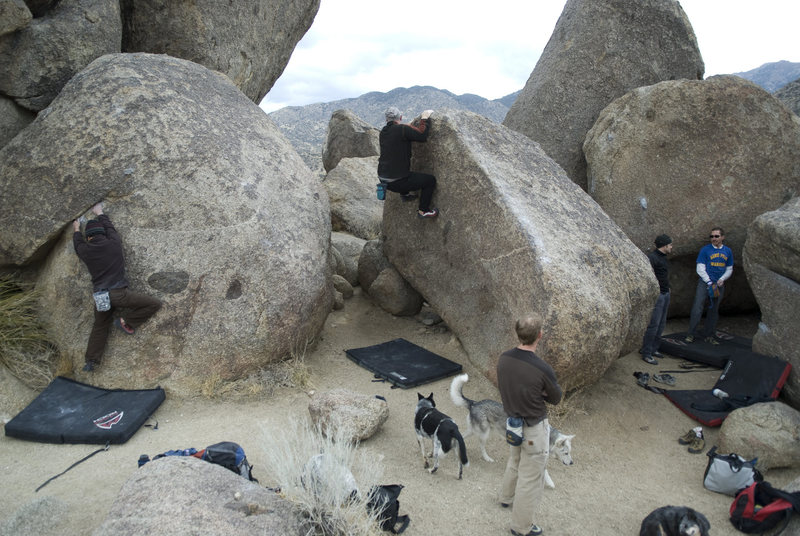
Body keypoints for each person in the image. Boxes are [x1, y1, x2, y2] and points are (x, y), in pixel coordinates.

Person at [73, 203, 162, 372]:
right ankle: (126, 322)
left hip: (100, 297)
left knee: (100, 325)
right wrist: (100, 212)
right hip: (118, 293)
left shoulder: (86, 250)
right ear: (102, 234)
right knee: (154, 304)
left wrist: (76, 228)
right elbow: (110, 228)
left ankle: (91, 361)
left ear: (89, 237)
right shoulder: (113, 243)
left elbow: (77, 244)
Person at [496, 314, 562, 536]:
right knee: (531, 477)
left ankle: (505, 498)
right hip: (534, 427)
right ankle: (521, 526)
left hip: (512, 422)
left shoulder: (504, 359)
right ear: (540, 336)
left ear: (517, 333)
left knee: (515, 460)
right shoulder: (542, 368)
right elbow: (556, 397)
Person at [377, 106, 438, 218]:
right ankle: (423, 210)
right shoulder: (402, 129)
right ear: (400, 117)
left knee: (399, 166)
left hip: (383, 180)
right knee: (430, 181)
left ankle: (405, 194)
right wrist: (424, 118)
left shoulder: (383, 132)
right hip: (398, 181)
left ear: (386, 119)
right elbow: (422, 135)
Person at [685, 226, 733, 344]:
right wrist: (709, 281)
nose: (714, 238)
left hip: (719, 283)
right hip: (705, 282)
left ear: (722, 237)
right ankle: (691, 333)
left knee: (714, 309)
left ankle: (709, 335)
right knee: (697, 307)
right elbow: (700, 268)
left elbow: (729, 268)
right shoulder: (705, 250)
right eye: (711, 236)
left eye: (716, 236)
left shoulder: (727, 251)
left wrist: (722, 279)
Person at [640, 234, 673, 365]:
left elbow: (664, 275)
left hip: (665, 293)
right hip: (658, 295)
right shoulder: (652, 258)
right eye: (670, 245)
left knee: (661, 323)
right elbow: (648, 276)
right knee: (654, 325)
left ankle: (654, 349)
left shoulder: (664, 258)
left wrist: (668, 288)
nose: (671, 247)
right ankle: (646, 353)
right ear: (664, 245)